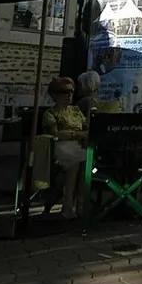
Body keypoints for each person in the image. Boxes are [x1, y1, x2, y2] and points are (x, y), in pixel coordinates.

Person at [41, 76, 89, 220]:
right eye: (64, 92)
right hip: (58, 146)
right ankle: (67, 206)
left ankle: (81, 205)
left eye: (71, 92)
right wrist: (77, 134)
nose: (69, 95)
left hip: (78, 145)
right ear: (55, 95)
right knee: (74, 162)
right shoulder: (50, 113)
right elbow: (56, 134)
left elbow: (87, 128)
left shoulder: (76, 110)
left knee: (86, 164)